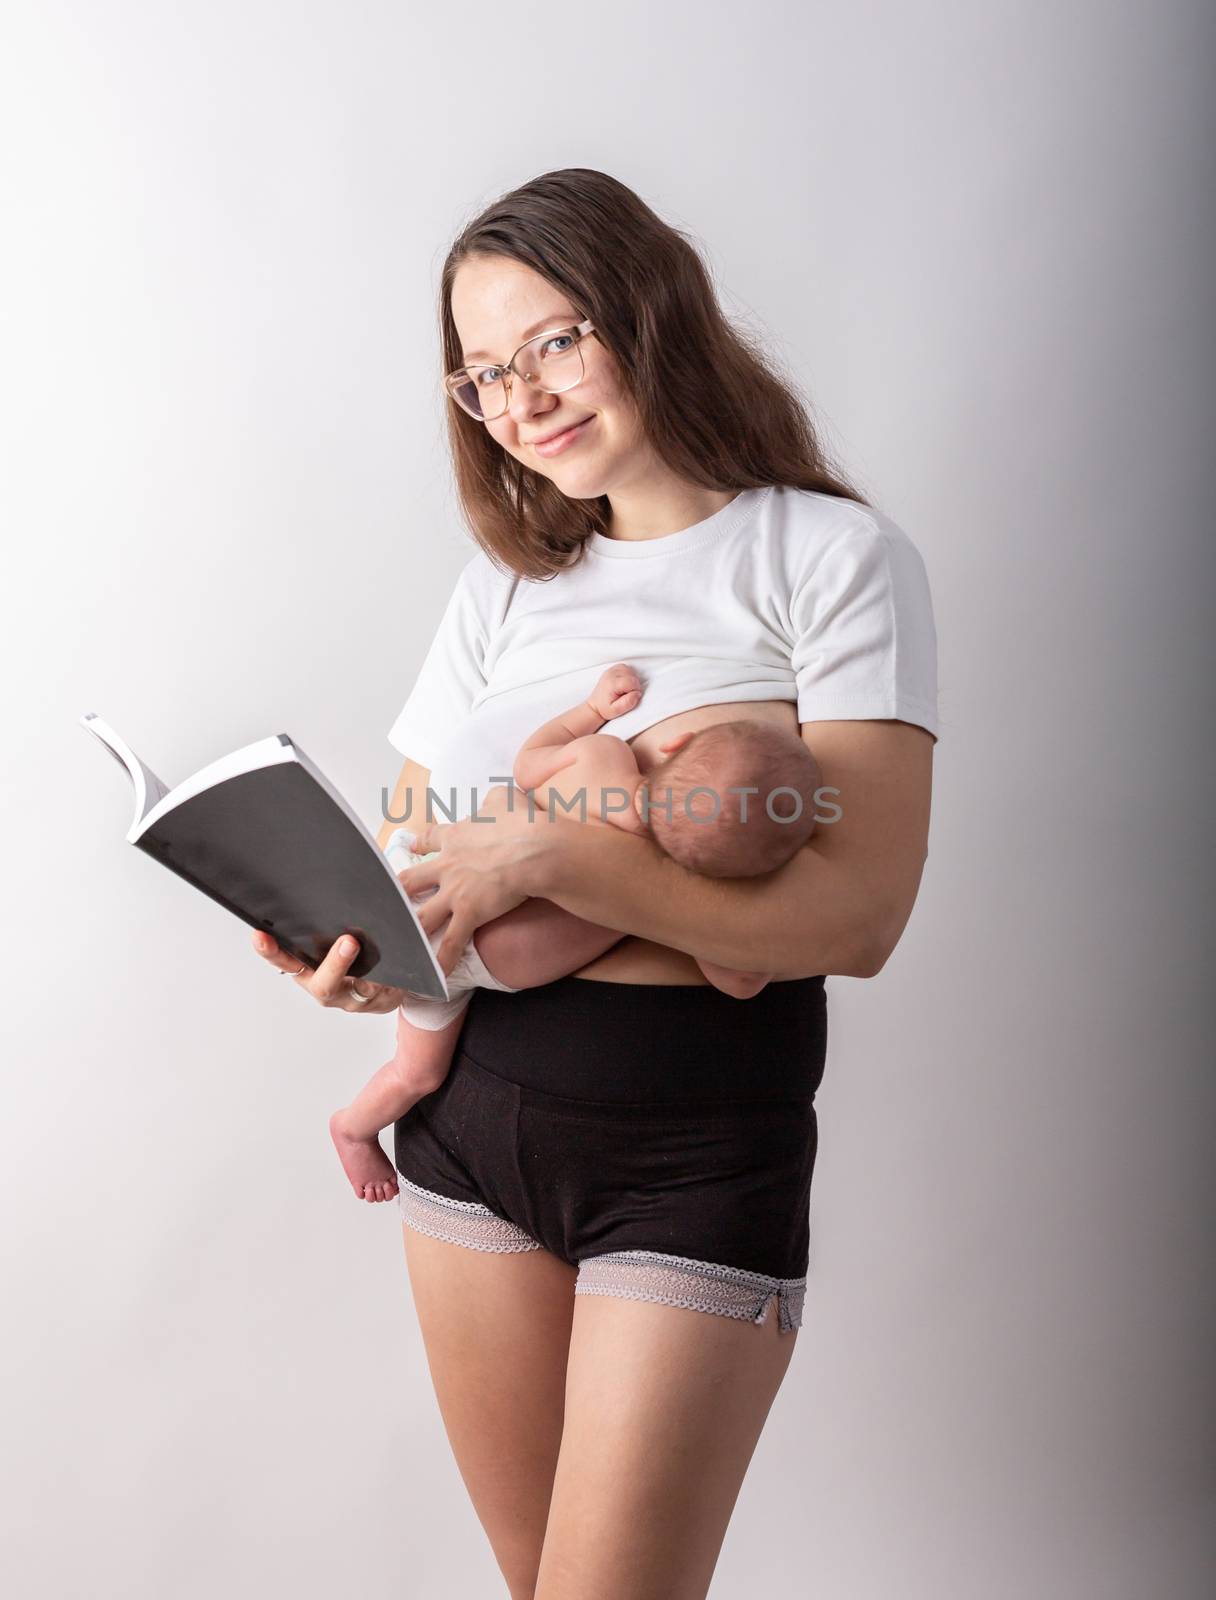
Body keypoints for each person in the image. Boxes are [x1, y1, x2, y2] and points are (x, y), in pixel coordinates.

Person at [251, 167, 938, 1600]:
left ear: (650, 308)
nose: (521, 399)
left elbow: (860, 919)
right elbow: (424, 846)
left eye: (553, 341)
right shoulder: (504, 590)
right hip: (474, 1123)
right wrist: (361, 950)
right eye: (484, 373)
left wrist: (564, 854)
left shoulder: (829, 555)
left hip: (697, 1138)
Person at [328, 660, 826, 1202]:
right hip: (456, 958)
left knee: (404, 1058)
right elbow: (740, 978)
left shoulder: (601, 759)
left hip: (424, 874)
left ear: (676, 742)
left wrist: (590, 712)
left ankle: (353, 1126)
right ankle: (352, 1126)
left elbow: (527, 765)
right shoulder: (684, 894)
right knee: (416, 1074)